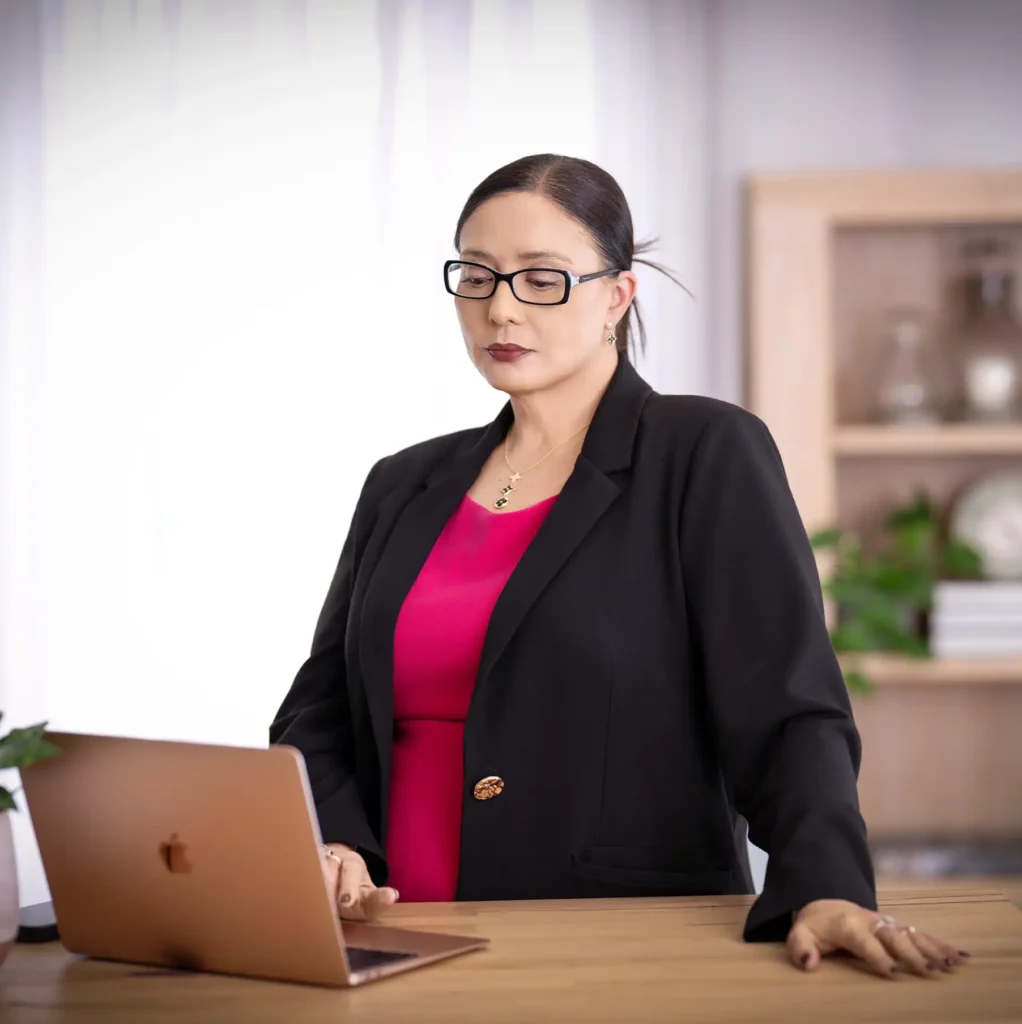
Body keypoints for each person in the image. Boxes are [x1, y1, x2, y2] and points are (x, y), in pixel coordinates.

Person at [270, 154, 969, 979]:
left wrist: (825, 886)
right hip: (392, 938)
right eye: (478, 275)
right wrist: (338, 838)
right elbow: (317, 709)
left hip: (617, 937)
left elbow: (790, 709)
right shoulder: (403, 482)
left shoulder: (702, 451)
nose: (500, 307)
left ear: (617, 296)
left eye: (543, 279)